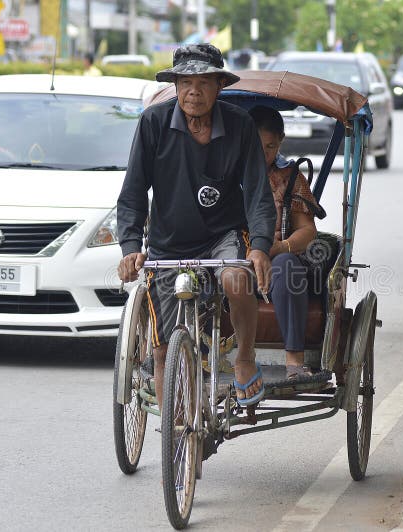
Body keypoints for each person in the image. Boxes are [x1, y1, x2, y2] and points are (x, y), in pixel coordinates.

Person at [116, 44, 276, 407]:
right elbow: (133, 193)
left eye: (204, 82)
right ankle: (177, 429)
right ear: (175, 86)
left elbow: (257, 194)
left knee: (237, 278)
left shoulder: (239, 125)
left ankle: (245, 359)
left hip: (223, 236)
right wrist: (130, 248)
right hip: (168, 243)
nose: (193, 91)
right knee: (162, 350)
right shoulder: (153, 123)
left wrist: (260, 247)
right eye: (185, 82)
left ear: (220, 85)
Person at [249, 106, 321, 380]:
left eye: (269, 147)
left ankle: (294, 360)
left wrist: (281, 247)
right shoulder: (228, 174)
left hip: (277, 258)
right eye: (257, 146)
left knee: (287, 266)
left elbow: (307, 230)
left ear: (280, 142)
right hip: (236, 257)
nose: (263, 154)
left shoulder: (290, 177)